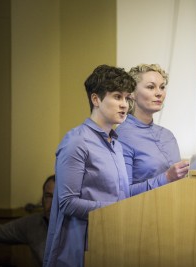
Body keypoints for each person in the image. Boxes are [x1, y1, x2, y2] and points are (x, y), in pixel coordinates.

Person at [43, 65, 134, 267]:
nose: (125, 105)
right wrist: (116, 211)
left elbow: (120, 195)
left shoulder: (116, 145)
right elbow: (67, 203)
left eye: (127, 98)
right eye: (117, 97)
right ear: (96, 99)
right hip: (79, 250)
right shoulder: (76, 141)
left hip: (112, 243)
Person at [115, 63, 189, 196]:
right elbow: (123, 194)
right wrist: (166, 177)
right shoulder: (122, 137)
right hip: (141, 213)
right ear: (131, 93)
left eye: (162, 87)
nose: (159, 93)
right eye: (151, 87)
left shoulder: (168, 135)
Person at [0, 174, 55, 267]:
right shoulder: (34, 223)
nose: (53, 205)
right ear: (42, 200)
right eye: (49, 196)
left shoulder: (78, 225)